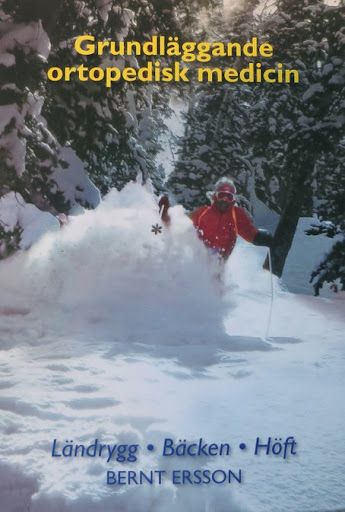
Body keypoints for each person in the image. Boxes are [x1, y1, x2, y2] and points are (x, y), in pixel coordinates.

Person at [159, 179, 273, 260]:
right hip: (198, 258)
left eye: (229, 197)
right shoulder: (203, 212)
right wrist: (166, 218)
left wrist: (260, 238)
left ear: (233, 199)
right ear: (215, 196)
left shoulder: (236, 214)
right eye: (221, 195)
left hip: (219, 263)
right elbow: (182, 223)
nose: (224, 200)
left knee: (211, 287)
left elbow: (248, 232)